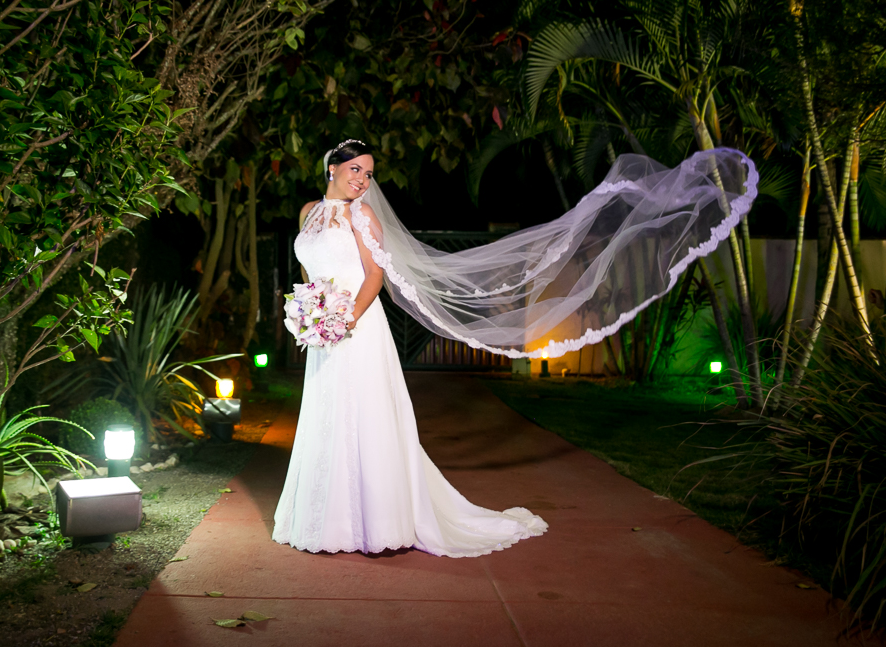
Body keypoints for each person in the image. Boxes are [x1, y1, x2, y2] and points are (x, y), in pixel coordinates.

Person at [272, 139, 756, 557]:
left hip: (356, 326)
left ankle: (372, 524)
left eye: (370, 173)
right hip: (324, 330)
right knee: (326, 414)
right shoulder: (308, 214)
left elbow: (374, 275)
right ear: (332, 168)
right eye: (356, 170)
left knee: (364, 417)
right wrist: (311, 311)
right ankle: (322, 519)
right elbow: (311, 271)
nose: (363, 180)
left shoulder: (364, 215)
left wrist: (345, 318)